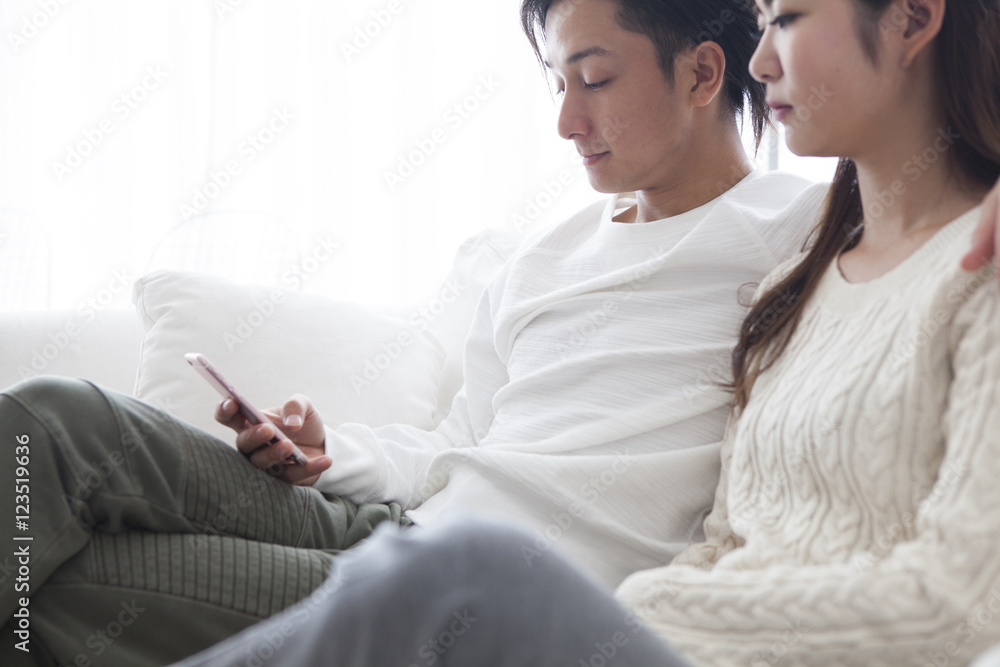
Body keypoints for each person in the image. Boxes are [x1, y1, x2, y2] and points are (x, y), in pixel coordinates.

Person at [0, 1, 832, 665]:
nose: (566, 121)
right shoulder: (542, 256)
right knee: (48, 419)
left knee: (67, 584)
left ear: (703, 72)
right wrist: (330, 454)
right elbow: (455, 444)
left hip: (485, 596)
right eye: (558, 85)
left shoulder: (800, 235)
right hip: (393, 528)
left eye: (596, 79)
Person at [171, 0, 1000, 664]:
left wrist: (632, 615)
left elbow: (960, 598)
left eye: (787, 18)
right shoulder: (801, 283)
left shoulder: (913, 268)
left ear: (913, 18)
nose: (760, 59)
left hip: (663, 631)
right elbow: (723, 539)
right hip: (635, 627)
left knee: (469, 568)